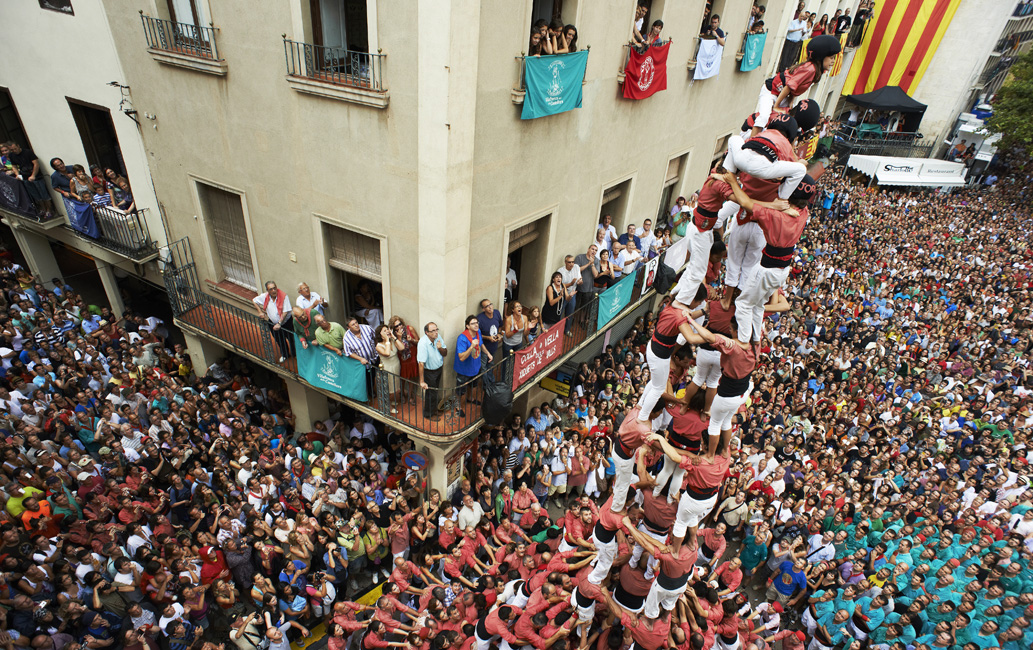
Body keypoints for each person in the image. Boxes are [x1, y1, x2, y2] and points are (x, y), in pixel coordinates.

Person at [750, 35, 841, 136]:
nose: (833, 61)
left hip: (780, 94)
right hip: (771, 91)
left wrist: (790, 102)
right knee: (763, 117)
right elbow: (789, 86)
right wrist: (776, 106)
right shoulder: (810, 69)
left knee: (784, 119)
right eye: (831, 58)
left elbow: (795, 87)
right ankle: (749, 143)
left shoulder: (815, 70)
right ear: (821, 56)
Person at [5, 141, 54, 217]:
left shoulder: (28, 152)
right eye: (12, 150)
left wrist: (33, 175)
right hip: (25, 177)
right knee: (35, 195)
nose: (14, 151)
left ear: (18, 146)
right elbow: (14, 166)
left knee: (43, 194)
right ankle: (42, 209)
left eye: (15, 149)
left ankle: (49, 210)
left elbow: (36, 164)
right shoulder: (12, 155)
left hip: (36, 177)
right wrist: (17, 174)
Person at [454, 314, 491, 409]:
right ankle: (458, 406)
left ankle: (470, 398)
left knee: (473, 384)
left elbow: (481, 344)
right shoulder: (462, 338)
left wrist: (488, 353)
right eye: (473, 323)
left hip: (475, 366)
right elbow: (461, 357)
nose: (476, 325)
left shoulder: (478, 332)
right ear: (467, 326)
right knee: (460, 390)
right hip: (464, 370)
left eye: (476, 322)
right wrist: (471, 346)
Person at [253, 281, 294, 363]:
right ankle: (285, 354)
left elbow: (285, 312)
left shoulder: (283, 296)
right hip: (272, 323)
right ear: (268, 291)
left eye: (274, 288)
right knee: (279, 340)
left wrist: (279, 323)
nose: (273, 290)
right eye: (271, 289)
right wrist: (260, 311)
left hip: (286, 322)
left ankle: (295, 354)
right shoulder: (265, 296)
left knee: (291, 339)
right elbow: (254, 300)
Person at [341, 317, 379, 396]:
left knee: (374, 375)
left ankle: (374, 389)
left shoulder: (367, 328)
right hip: (363, 364)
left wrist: (377, 348)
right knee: (367, 378)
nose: (356, 325)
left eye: (356, 323)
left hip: (374, 358)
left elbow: (375, 337)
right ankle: (370, 392)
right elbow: (349, 353)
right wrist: (360, 358)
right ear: (348, 328)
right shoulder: (347, 338)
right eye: (353, 324)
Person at [418, 321, 447, 420]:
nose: (436, 332)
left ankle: (434, 410)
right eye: (433, 331)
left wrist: (440, 348)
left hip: (438, 368)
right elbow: (421, 363)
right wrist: (421, 381)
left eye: (436, 329)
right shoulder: (423, 343)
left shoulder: (438, 338)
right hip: (429, 372)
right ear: (427, 332)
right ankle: (428, 414)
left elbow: (445, 353)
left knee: (435, 391)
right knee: (431, 394)